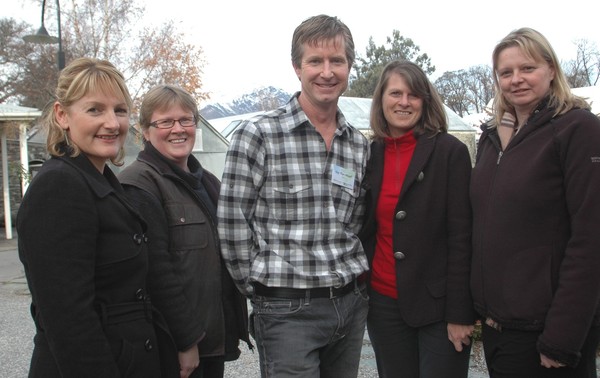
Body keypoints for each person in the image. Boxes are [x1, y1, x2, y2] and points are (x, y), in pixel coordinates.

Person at [217, 14, 370, 378]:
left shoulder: (358, 145)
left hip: (349, 303)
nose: (327, 72)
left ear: (349, 66)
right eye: (315, 61)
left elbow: (355, 219)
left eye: (337, 61)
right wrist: (258, 287)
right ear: (297, 68)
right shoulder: (259, 134)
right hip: (287, 308)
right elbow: (232, 221)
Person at [17, 57, 167, 377]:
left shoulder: (98, 180)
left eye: (120, 110)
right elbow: (69, 320)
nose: (112, 123)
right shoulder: (59, 186)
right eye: (95, 109)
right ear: (62, 115)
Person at [470, 27, 600, 378]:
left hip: (545, 330)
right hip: (500, 325)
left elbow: (591, 238)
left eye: (527, 68)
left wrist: (562, 337)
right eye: (505, 73)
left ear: (551, 70)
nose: (516, 80)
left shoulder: (577, 130)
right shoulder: (493, 138)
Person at [118, 84, 251, 378]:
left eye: (186, 120)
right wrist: (185, 340)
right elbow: (156, 272)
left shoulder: (208, 183)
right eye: (165, 121)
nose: (177, 129)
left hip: (211, 338)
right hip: (176, 345)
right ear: (145, 131)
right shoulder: (140, 185)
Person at [359, 60, 475, 378]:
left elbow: (462, 237)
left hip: (439, 308)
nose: (404, 102)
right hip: (384, 304)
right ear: (381, 100)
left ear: (426, 101)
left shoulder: (449, 153)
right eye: (395, 93)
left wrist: (461, 313)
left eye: (414, 94)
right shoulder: (371, 155)